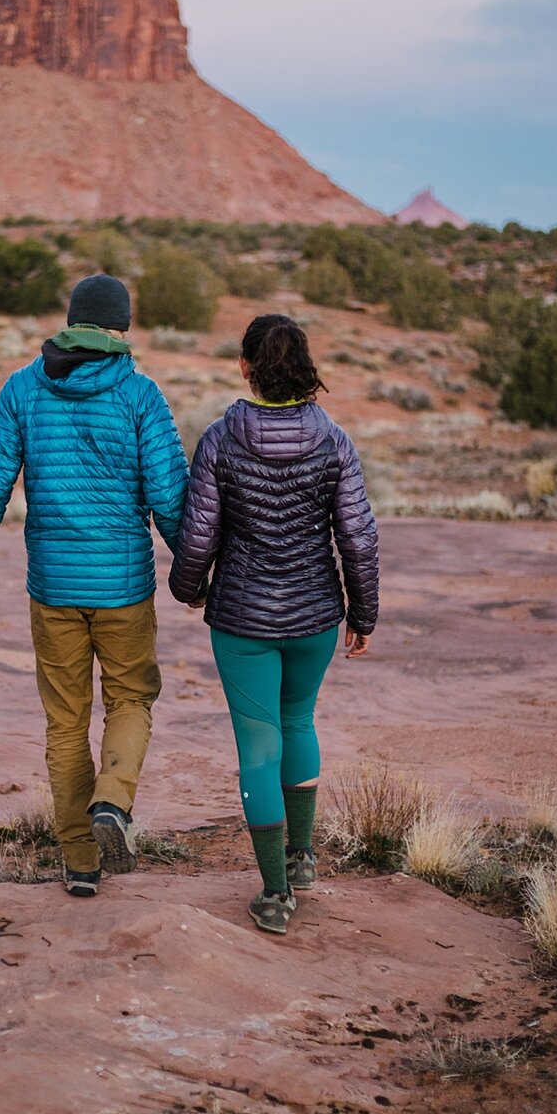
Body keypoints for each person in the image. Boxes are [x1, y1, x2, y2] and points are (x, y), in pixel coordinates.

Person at [0, 274, 188, 897]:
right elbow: (169, 498)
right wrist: (196, 573)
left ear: (72, 320)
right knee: (131, 700)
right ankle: (112, 801)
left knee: (64, 722)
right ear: (120, 326)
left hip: (52, 588)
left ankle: (80, 861)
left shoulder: (23, 389)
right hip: (125, 588)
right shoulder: (140, 395)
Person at [168, 313, 378, 936]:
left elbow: (198, 531)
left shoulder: (220, 440)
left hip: (241, 620)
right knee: (298, 721)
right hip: (315, 616)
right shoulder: (334, 439)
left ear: (246, 367)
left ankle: (274, 895)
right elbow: (358, 539)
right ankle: (303, 859)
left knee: (259, 746)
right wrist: (363, 613)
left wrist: (188, 588)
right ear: (305, 368)